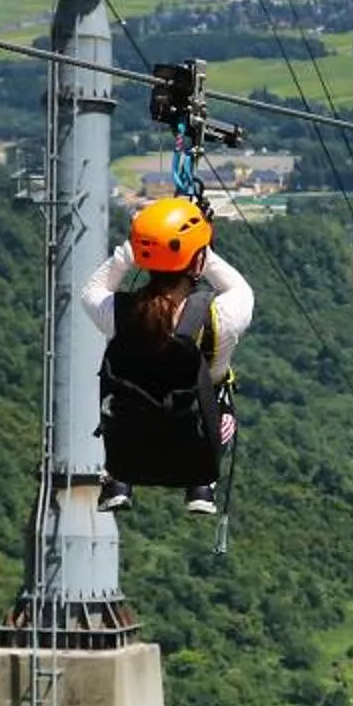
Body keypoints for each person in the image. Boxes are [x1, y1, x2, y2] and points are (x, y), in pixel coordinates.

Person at [81, 196, 251, 517]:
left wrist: (133, 248)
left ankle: (118, 480)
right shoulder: (222, 316)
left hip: (132, 443)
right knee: (219, 397)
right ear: (197, 262)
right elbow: (240, 289)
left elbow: (91, 292)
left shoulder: (118, 314)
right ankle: (201, 485)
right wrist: (202, 249)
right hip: (196, 443)